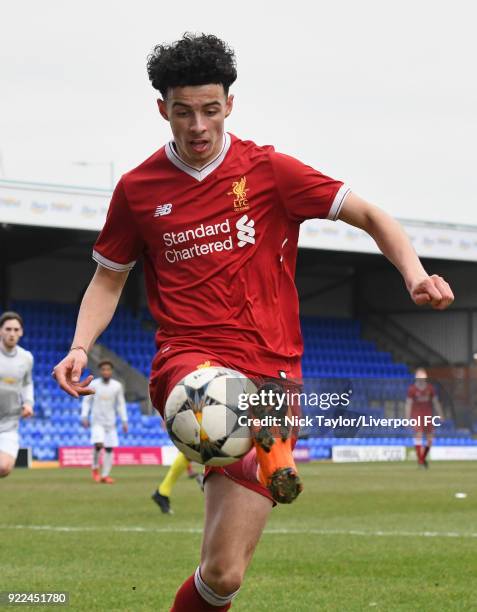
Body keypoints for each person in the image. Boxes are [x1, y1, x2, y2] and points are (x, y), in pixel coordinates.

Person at [53, 33, 454, 611]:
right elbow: (110, 276)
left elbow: (369, 213)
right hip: (189, 361)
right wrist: (80, 346)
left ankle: (261, 447)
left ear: (230, 106)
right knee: (215, 395)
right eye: (184, 111)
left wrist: (413, 274)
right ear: (162, 108)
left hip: (274, 378)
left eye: (210, 110)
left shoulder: (268, 171)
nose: (198, 126)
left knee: (223, 576)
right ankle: (263, 450)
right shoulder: (138, 190)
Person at [81, 360, 128, 484]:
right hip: (97, 421)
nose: (106, 371)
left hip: (111, 422)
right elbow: (86, 401)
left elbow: (121, 404)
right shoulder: (94, 385)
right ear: (100, 371)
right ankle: (95, 467)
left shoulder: (117, 386)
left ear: (111, 371)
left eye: (108, 369)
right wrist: (84, 416)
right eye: (103, 369)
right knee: (98, 444)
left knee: (109, 449)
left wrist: (124, 420)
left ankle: (105, 475)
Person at [0, 311, 34, 478]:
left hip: (10, 421)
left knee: (4, 468)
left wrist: (28, 403)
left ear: (21, 332)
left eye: (15, 329)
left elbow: (27, 383)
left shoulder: (26, 358)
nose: (12, 333)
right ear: (1, 331)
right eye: (8, 329)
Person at [405, 367, 443, 468]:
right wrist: (407, 417)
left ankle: (422, 458)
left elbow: (435, 402)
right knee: (418, 434)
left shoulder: (430, 388)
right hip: (417, 415)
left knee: (430, 438)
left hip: (428, 415)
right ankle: (421, 461)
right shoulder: (412, 389)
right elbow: (408, 404)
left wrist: (440, 413)